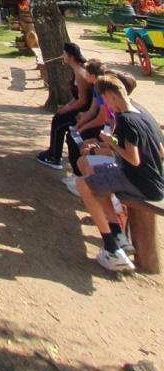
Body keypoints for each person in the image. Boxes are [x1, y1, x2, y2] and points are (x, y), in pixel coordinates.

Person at [75, 74, 164, 273]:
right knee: (92, 171)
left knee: (82, 184)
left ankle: (111, 248)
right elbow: (160, 150)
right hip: (152, 179)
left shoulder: (125, 120)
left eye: (104, 100)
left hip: (140, 182)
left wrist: (111, 143)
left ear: (111, 96)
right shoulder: (140, 115)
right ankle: (117, 233)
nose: (105, 105)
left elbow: (134, 159)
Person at [36, 42, 91, 169]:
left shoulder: (80, 72)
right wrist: (66, 106)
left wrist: (67, 109)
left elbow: (83, 100)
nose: (62, 56)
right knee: (58, 117)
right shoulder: (76, 70)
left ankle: (54, 157)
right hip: (80, 107)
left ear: (71, 56)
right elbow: (76, 97)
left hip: (84, 111)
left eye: (64, 54)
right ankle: (53, 151)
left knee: (59, 122)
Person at [64, 59, 107, 181]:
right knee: (72, 134)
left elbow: (101, 118)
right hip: (97, 122)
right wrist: (79, 124)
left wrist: (82, 128)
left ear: (92, 75)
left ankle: (80, 175)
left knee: (75, 139)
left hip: (104, 127)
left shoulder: (102, 89)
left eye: (86, 72)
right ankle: (77, 171)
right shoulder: (95, 87)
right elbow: (92, 111)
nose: (84, 74)